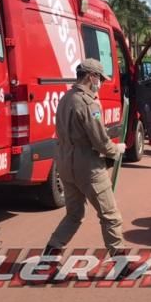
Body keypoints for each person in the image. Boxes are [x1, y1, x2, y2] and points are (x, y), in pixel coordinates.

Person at [43, 58, 127, 255]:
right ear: (92, 76)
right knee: (110, 216)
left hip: (64, 163)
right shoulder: (88, 103)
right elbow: (100, 141)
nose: (101, 84)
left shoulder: (66, 98)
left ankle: (49, 257)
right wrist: (117, 150)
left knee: (74, 214)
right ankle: (121, 263)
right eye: (101, 79)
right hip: (87, 167)